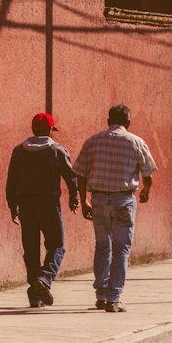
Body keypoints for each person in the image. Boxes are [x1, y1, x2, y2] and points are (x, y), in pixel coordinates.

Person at [73, 104, 157, 312]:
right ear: (128, 122)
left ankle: (101, 294)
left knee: (102, 246)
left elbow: (81, 175)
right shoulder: (136, 142)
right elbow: (148, 174)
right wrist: (146, 191)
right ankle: (114, 298)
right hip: (124, 200)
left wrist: (84, 200)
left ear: (108, 120)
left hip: (99, 199)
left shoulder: (93, 142)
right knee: (121, 249)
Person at [5, 112, 79, 307]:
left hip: (26, 205)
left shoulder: (19, 151)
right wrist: (74, 198)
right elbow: (71, 177)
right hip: (49, 204)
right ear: (50, 131)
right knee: (56, 245)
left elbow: (11, 180)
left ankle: (35, 293)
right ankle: (44, 279)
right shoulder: (57, 150)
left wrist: (13, 206)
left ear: (33, 129)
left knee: (31, 248)